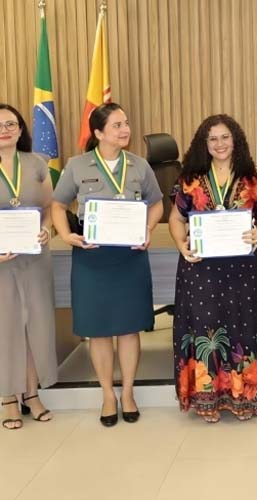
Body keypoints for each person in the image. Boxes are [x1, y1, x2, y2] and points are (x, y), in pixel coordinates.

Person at [51, 103, 163, 426]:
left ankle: (127, 392)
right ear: (98, 133)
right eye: (117, 125)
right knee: (98, 331)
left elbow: (156, 204)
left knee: (129, 329)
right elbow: (58, 205)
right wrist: (66, 234)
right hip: (92, 255)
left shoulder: (140, 165)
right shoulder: (76, 166)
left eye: (125, 123)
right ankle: (107, 395)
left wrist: (148, 228)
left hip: (130, 255)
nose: (125, 129)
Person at [169, 114, 257, 422]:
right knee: (207, 331)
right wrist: (181, 245)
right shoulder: (190, 177)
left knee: (245, 327)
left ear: (236, 141)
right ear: (204, 144)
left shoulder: (253, 175)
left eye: (225, 137)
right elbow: (176, 219)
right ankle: (209, 400)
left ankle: (245, 397)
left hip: (245, 268)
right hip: (201, 269)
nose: (220, 144)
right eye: (213, 139)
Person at [0, 104, 57, 430]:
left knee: (35, 324)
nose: (5, 129)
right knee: (6, 327)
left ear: (21, 129)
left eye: (11, 124)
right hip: (1, 263)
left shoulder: (37, 163)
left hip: (34, 257)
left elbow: (49, 207)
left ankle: (32, 395)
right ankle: (9, 397)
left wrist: (47, 229)